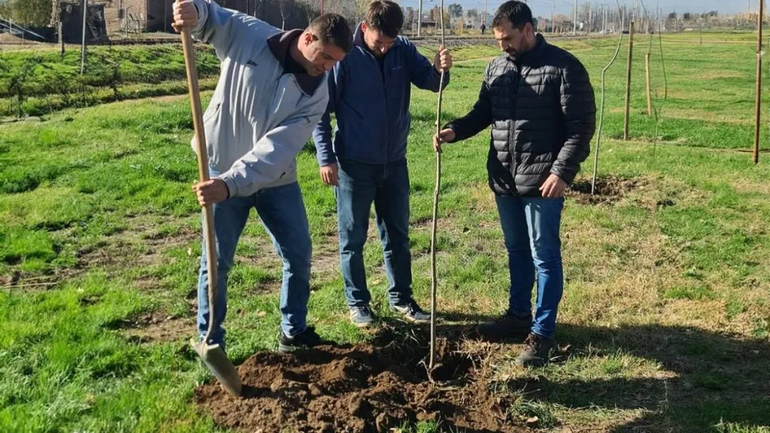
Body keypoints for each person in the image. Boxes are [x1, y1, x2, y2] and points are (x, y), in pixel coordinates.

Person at [171, 0, 353, 352]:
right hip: (220, 167)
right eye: (327, 58)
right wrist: (193, 11)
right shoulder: (251, 36)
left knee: (299, 253)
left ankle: (293, 331)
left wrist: (231, 185)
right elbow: (212, 17)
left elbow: (278, 148)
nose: (329, 68)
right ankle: (212, 340)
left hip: (274, 180)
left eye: (335, 62)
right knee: (217, 261)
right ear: (307, 39)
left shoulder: (317, 92)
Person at [434, 0, 595, 366]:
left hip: (542, 183)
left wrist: (561, 173)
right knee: (517, 252)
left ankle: (542, 333)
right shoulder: (497, 68)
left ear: (528, 29)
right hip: (505, 180)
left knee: (545, 257)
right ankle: (518, 315)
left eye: (507, 38)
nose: (502, 45)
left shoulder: (564, 68)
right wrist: (454, 130)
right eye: (497, 39)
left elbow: (580, 128)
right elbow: (484, 113)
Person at [312, 0, 453, 328]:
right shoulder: (345, 58)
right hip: (354, 165)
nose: (385, 48)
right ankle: (358, 303)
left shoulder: (402, 50)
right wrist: (325, 157)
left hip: (394, 163)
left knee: (398, 235)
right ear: (365, 29)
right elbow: (321, 110)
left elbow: (432, 82)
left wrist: (439, 68)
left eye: (390, 42)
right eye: (379, 42)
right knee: (353, 238)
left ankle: (401, 298)